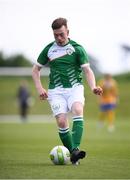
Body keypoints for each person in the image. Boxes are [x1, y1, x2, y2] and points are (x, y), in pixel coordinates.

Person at [32, 17, 103, 165]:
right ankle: (74, 154)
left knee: (77, 109)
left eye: (61, 34)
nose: (58, 38)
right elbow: (35, 70)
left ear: (68, 31)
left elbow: (87, 71)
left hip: (75, 88)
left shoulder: (77, 48)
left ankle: (74, 150)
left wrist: (93, 87)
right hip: (56, 91)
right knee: (62, 121)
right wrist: (40, 88)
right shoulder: (49, 49)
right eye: (55, 35)